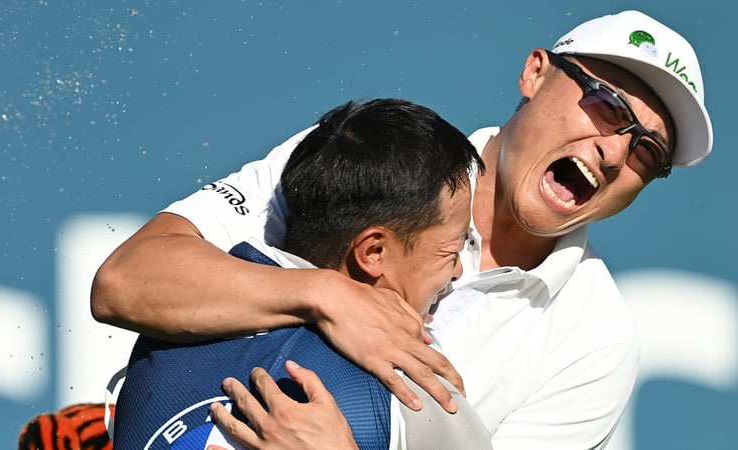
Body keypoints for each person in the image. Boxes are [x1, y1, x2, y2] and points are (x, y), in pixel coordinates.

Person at [91, 10, 713, 449]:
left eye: (646, 152)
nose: (612, 151)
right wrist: (328, 297)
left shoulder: (594, 340)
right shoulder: (380, 151)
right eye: (607, 105)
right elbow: (123, 283)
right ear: (534, 74)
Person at [109, 99, 491, 449]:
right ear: (373, 252)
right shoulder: (416, 394)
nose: (458, 271)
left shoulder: (163, 335)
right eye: (451, 251)